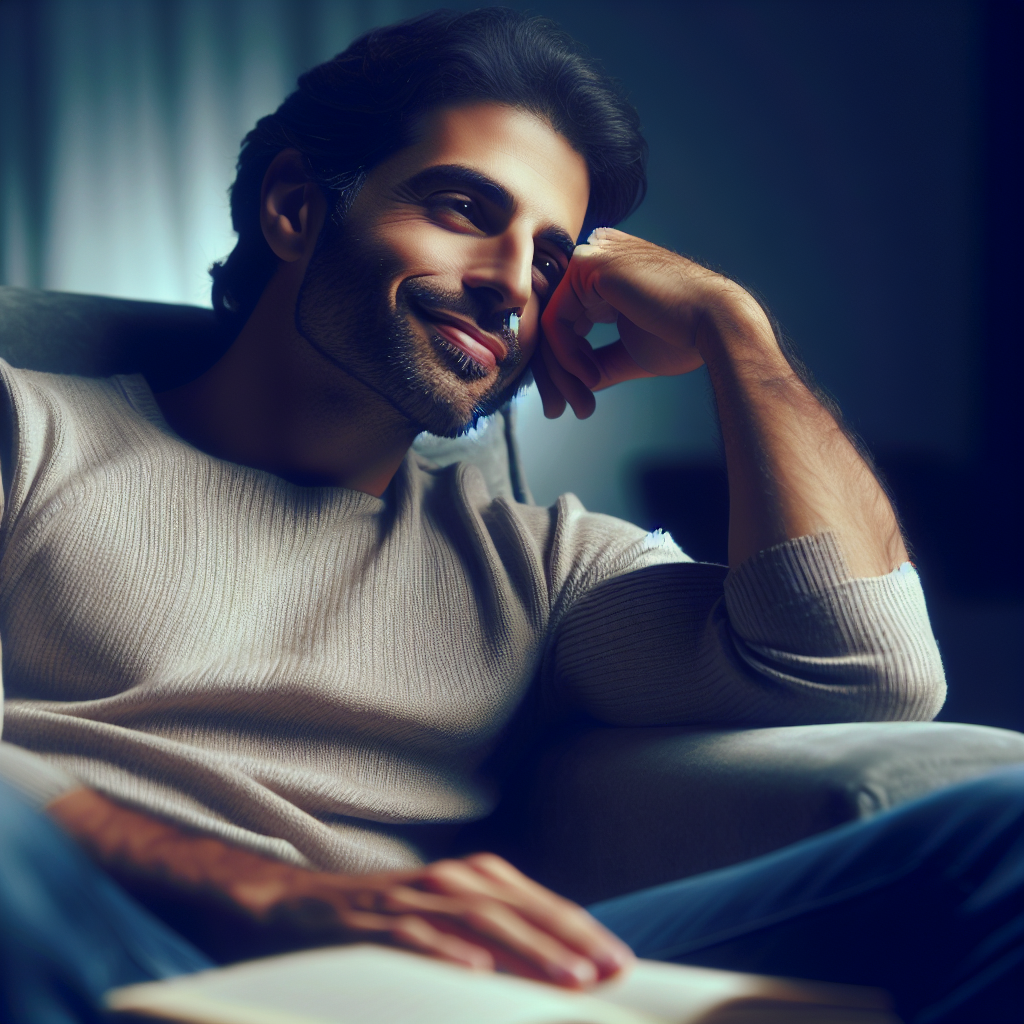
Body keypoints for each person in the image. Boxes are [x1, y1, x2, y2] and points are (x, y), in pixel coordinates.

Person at [0, 9, 1019, 1023]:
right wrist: (275, 891)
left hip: (408, 986)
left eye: (547, 258)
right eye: (461, 207)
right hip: (86, 937)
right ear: (296, 209)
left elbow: (868, 667)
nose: (505, 286)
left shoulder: (544, 566)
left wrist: (733, 334)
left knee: (998, 831)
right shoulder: (27, 429)